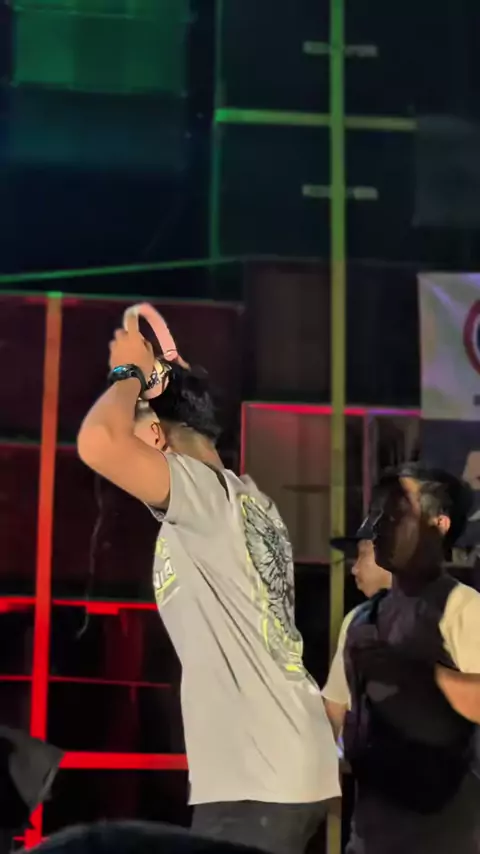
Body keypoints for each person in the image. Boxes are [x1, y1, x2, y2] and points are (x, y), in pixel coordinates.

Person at [76, 316, 340, 854]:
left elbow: (99, 443)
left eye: (137, 430)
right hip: (277, 764)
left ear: (154, 437)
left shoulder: (203, 495)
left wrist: (128, 372)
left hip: (259, 774)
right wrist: (166, 377)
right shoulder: (246, 501)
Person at [321, 463, 480, 854]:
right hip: (369, 838)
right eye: (379, 513)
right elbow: (333, 716)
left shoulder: (464, 608)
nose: (378, 526)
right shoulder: (360, 620)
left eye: (396, 513)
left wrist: (415, 675)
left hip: (447, 840)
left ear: (439, 525)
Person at [322, 525, 392, 740]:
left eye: (362, 555)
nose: (354, 569)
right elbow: (335, 706)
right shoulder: (358, 620)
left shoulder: (453, 610)